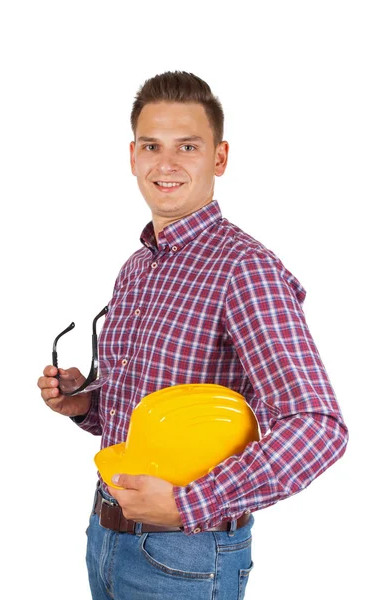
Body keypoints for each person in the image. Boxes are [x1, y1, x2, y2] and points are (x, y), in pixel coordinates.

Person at [37, 71, 349, 600]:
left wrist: (190, 504)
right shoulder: (137, 267)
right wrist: (84, 404)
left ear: (220, 159)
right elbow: (151, 412)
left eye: (188, 146)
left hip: (186, 555)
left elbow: (318, 426)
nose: (167, 163)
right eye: (151, 146)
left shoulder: (245, 269)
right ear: (132, 157)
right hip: (106, 540)